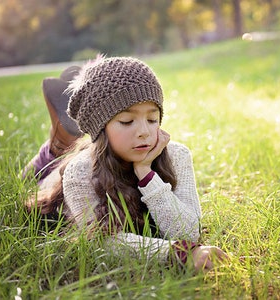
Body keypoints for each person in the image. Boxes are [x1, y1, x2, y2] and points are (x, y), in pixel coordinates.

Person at [24, 56, 228, 272]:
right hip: (53, 176)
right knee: (47, 165)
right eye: (127, 121)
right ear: (101, 127)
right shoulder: (80, 170)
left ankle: (70, 128)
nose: (144, 132)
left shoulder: (177, 155)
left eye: (152, 119)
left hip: (103, 143)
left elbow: (188, 232)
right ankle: (57, 142)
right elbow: (99, 243)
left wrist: (146, 174)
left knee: (76, 145)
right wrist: (178, 252)